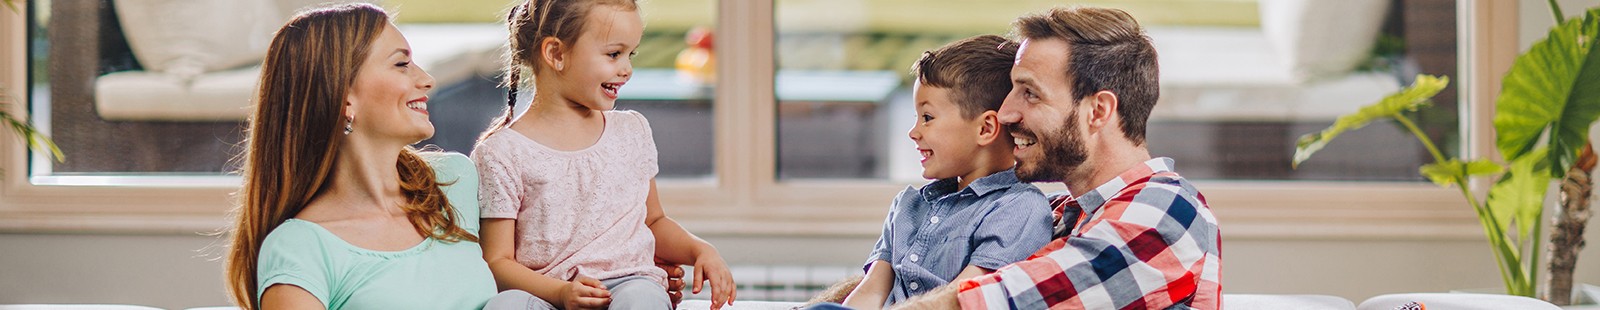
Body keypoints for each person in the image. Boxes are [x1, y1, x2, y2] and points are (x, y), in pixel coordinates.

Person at [893, 6, 1221, 310]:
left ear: (1098, 111)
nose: (1005, 112)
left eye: (1030, 93)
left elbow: (993, 301)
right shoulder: (1058, 214)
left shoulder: (1163, 213)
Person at [223, 3, 529, 309]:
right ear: (344, 98)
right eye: (401, 64)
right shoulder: (300, 247)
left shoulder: (453, 183)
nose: (426, 79)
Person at [473, 0, 736, 309]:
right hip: (545, 293)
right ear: (556, 54)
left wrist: (699, 250)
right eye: (614, 54)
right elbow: (498, 260)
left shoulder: (631, 131)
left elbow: (654, 220)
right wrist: (560, 293)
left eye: (630, 54)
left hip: (627, 283)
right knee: (507, 306)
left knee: (641, 298)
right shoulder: (502, 153)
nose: (626, 69)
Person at [840, 35, 1055, 310]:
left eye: (927, 118)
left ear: (985, 129)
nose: (913, 132)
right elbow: (871, 291)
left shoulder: (1019, 209)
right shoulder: (908, 206)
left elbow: (963, 297)